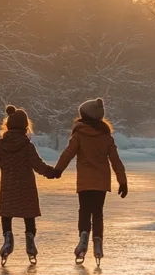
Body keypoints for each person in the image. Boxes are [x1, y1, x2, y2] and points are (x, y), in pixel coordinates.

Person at [0, 104, 61, 265]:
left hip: (8, 188)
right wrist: (51, 172)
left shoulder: (2, 145)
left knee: (7, 215)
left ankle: (8, 237)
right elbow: (38, 165)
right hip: (27, 188)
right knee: (29, 216)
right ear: (25, 126)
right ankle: (30, 241)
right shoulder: (28, 146)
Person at [55, 97, 128, 265]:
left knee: (84, 210)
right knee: (98, 213)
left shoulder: (79, 134)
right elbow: (116, 161)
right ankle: (98, 242)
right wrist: (122, 182)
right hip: (101, 182)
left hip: (85, 182)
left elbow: (68, 153)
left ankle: (83, 235)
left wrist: (58, 170)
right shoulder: (106, 137)